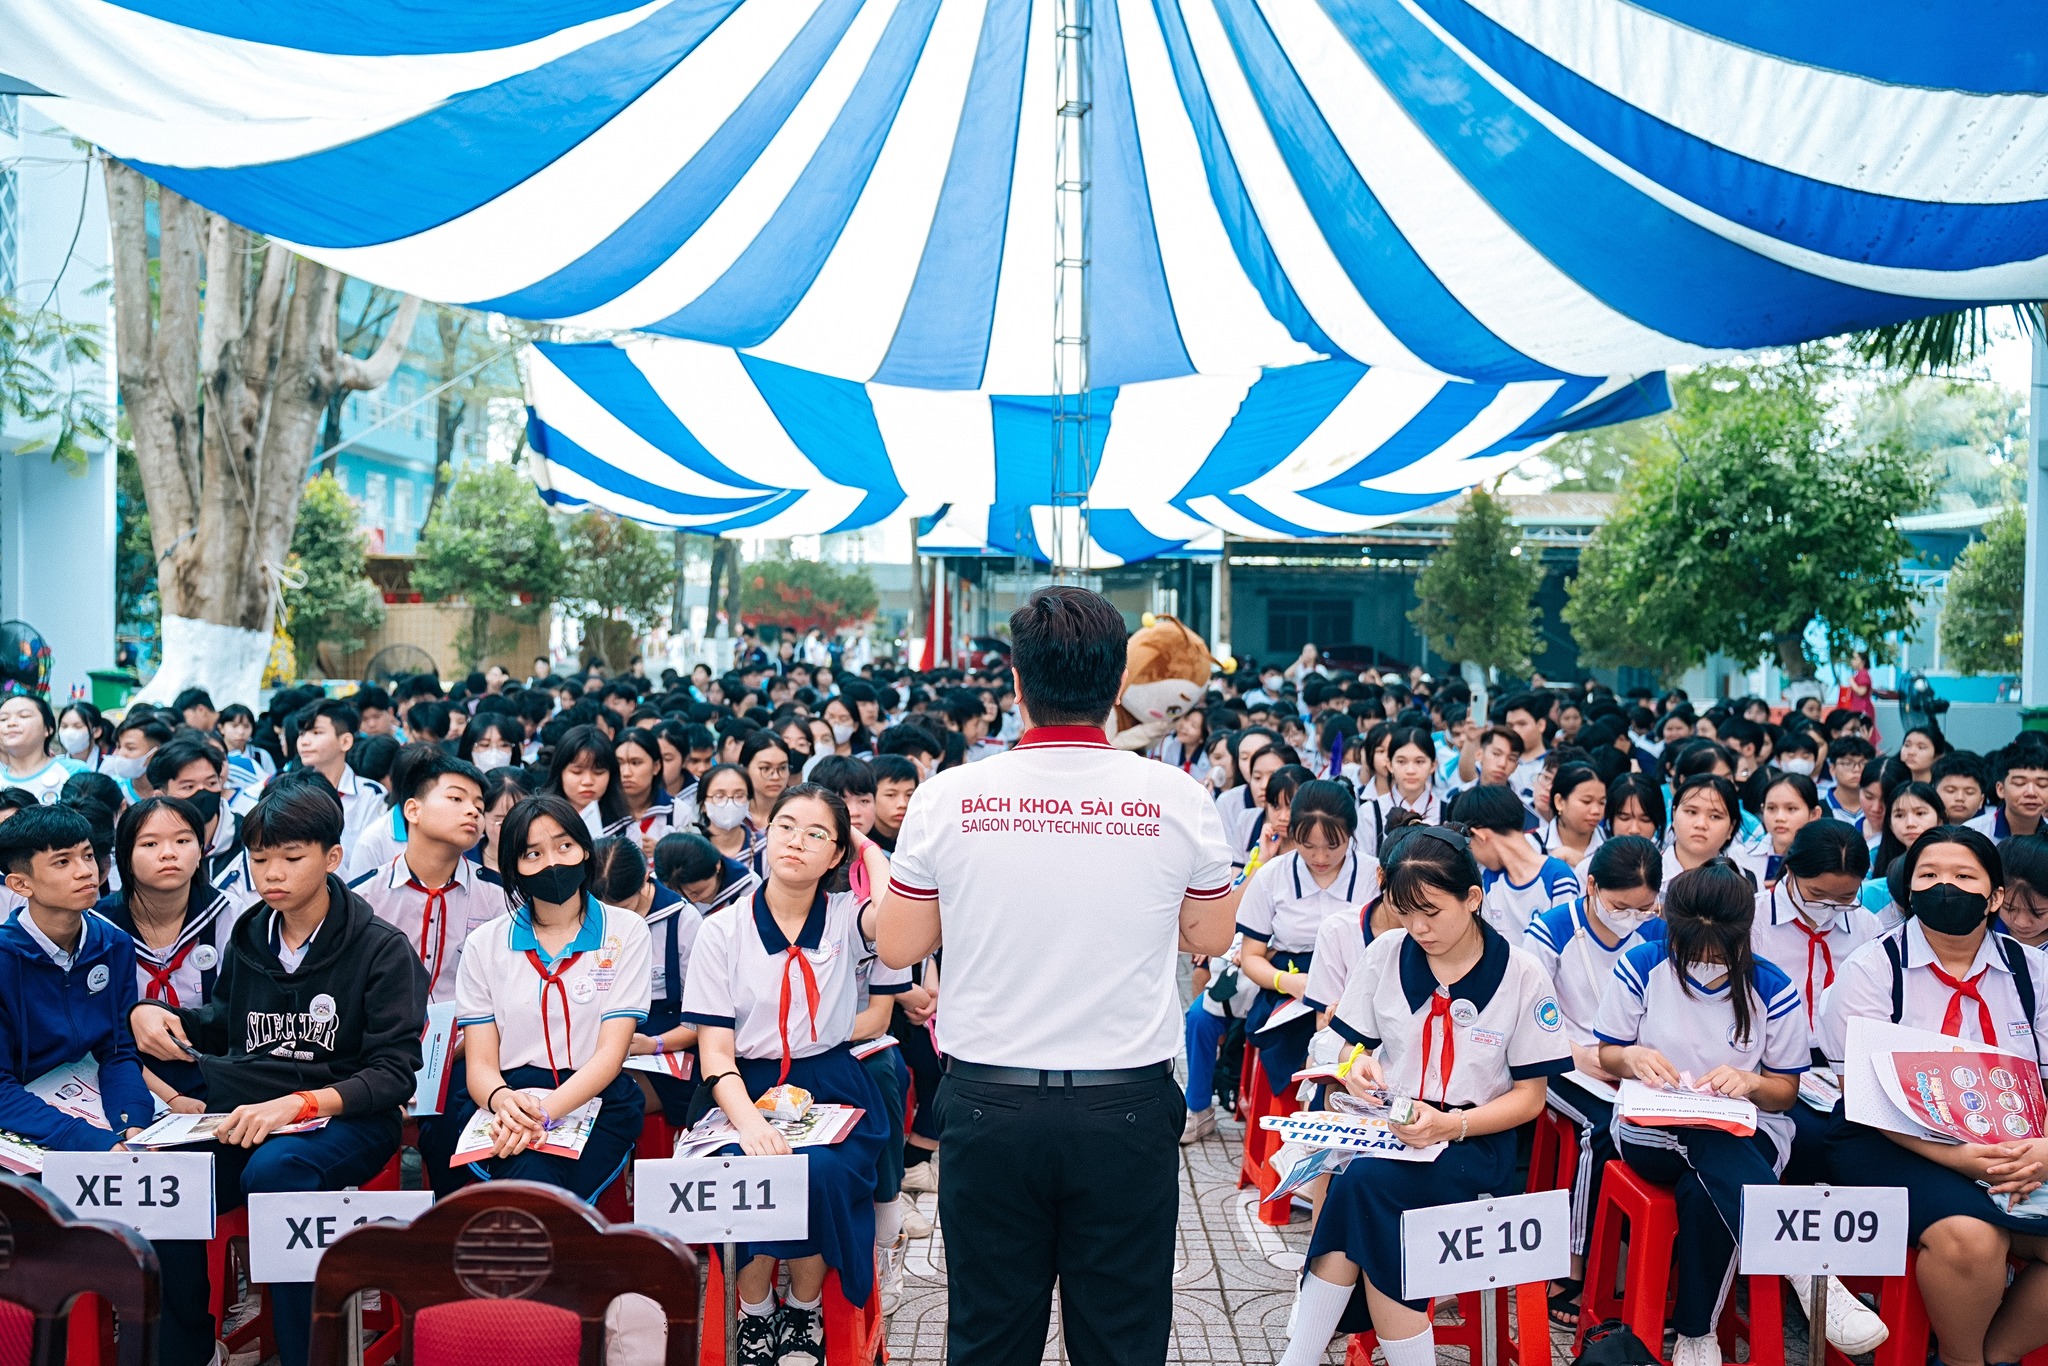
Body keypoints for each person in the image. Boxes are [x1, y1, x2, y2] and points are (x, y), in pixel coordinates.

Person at [875, 586, 1242, 1366]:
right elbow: (1210, 934)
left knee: (988, 1331)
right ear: (1117, 688)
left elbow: (901, 945)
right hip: (1128, 1108)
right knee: (1120, 1335)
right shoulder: (1178, 798)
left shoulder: (948, 798)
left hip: (988, 1105)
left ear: (1015, 682)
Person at [129, 782, 429, 1366]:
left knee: (277, 1173)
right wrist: (156, 1014)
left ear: (332, 858)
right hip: (252, 1111)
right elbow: (221, 1021)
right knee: (168, 1178)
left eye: (291, 858)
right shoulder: (251, 934)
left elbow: (394, 1074)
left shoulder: (381, 949)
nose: (273, 874)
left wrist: (303, 1104)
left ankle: (304, 1353)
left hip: (349, 1117)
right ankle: (188, 1349)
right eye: (260, 859)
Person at [1278, 823, 1570, 1366]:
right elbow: (1336, 1043)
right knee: (1365, 1190)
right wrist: (1353, 1064)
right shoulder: (1388, 951)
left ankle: (1301, 1354)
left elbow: (1531, 1098)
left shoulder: (1521, 974)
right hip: (1391, 1128)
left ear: (1473, 899)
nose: (1418, 928)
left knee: (1362, 1187)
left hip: (1473, 1142)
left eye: (1431, 912)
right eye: (1404, 912)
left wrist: (1450, 1126)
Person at [1819, 826, 2048, 1366]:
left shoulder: (2033, 972)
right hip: (1889, 1139)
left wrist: (2042, 1151)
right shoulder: (1874, 968)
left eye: (1965, 876)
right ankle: (1962, 1357)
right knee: (1972, 1239)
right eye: (1930, 875)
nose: (1946, 886)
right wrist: (1962, 1158)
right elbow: (1865, 1096)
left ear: (1994, 897)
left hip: (2016, 1138)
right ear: (1910, 891)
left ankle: (1996, 1355)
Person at [684, 785, 894, 1365]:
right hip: (741, 1086)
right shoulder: (722, 930)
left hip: (830, 1083)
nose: (796, 842)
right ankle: (754, 1313)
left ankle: (803, 1309)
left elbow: (897, 910)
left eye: (816, 834)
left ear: (836, 857)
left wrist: (861, 842)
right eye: (785, 826)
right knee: (744, 1166)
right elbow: (716, 1056)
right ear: (764, 835)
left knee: (819, 1169)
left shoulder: (850, 919)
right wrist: (748, 1123)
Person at [1596, 862, 1830, 1366]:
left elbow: (1785, 1093)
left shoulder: (1772, 985)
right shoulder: (1640, 966)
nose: (1703, 962)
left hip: (1750, 1128)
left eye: (1716, 952)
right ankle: (1801, 1262)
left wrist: (1749, 1083)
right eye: (1690, 949)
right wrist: (1632, 1058)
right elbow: (1608, 1053)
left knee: (1704, 1182)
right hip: (1650, 1127)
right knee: (1703, 1143)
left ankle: (1696, 1337)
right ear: (1667, 924)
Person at [450, 793, 651, 1202]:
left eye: (564, 846)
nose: (553, 862)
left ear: (585, 851)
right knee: (530, 1174)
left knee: (534, 1184)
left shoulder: (625, 931)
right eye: (532, 853)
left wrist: (541, 1114)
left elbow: (610, 1056)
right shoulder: (483, 944)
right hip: (510, 1099)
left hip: (595, 1095)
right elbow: (481, 1066)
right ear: (514, 868)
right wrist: (506, 1103)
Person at [1522, 834, 1663, 1329]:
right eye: (1621, 905)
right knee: (1599, 1130)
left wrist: (1629, 1058)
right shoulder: (1556, 927)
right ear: (1592, 884)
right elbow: (1531, 1009)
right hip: (1559, 1057)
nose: (1632, 917)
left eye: (1644, 908)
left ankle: (1633, 1257)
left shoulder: (1653, 933)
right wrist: (1579, 1055)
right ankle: (1573, 1265)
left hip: (1624, 1060)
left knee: (1655, 1128)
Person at [348, 751, 505, 1192]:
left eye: (479, 803)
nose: (473, 810)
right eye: (456, 798)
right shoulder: (363, 898)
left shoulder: (499, 900)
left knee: (459, 1121)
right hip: (378, 1052)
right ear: (412, 810)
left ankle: (452, 1231)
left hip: (466, 1054)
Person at [0, 804, 152, 1149]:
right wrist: (85, 1141)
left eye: (87, 855)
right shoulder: (5, 959)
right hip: (24, 1112)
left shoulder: (114, 944)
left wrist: (133, 1121)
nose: (86, 871)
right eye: (62, 862)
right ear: (21, 884)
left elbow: (117, 1050)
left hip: (87, 1092)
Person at [1226, 780, 1365, 1141]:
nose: (1320, 858)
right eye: (1308, 846)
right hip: (1289, 988)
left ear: (1351, 834)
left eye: (1332, 846)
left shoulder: (1374, 876)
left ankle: (1332, 1137)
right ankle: (1308, 1138)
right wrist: (1288, 983)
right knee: (1305, 1038)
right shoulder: (1273, 876)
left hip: (1358, 987)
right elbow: (1252, 957)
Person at [97, 796, 244, 1110]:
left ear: (201, 849)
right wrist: (169, 1097)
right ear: (125, 856)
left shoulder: (231, 916)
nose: (168, 853)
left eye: (182, 840)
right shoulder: (98, 927)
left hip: (213, 1070)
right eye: (149, 844)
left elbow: (240, 1017)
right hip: (121, 1072)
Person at [1456, 784, 1580, 940]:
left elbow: (1567, 943)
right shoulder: (1487, 880)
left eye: (1469, 846)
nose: (1473, 855)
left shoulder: (1557, 877)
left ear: (1479, 835)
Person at [293, 699, 385, 854]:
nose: (304, 742)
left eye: (317, 733)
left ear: (345, 741)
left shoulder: (371, 795)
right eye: (302, 734)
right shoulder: (291, 791)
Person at [1357, 726, 1441, 857]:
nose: (1411, 770)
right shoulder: (1370, 813)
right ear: (1390, 765)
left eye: (1420, 761)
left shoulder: (1445, 812)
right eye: (1401, 761)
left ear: (1433, 765)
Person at [546, 723, 628, 839]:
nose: (588, 781)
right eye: (577, 772)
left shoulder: (626, 828)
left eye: (598, 772)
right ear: (560, 772)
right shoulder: (542, 821)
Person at [0, 694, 85, 803]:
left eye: (24, 716)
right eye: (3, 719)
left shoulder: (74, 771)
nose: (11, 723)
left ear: (48, 728)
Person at [1970, 739, 2048, 841]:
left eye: (2042, 784)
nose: (2031, 792)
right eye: (2019, 783)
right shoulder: (1974, 833)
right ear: (2000, 789)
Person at [1759, 772, 1825, 887]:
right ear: (1762, 809)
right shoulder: (1740, 856)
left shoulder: (1827, 862)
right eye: (1771, 808)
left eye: (1791, 809)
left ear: (1814, 814)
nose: (1779, 818)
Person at [1538, 764, 1608, 869]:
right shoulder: (1533, 844)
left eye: (1602, 803)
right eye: (1586, 801)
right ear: (1559, 802)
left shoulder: (1612, 844)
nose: (1596, 811)